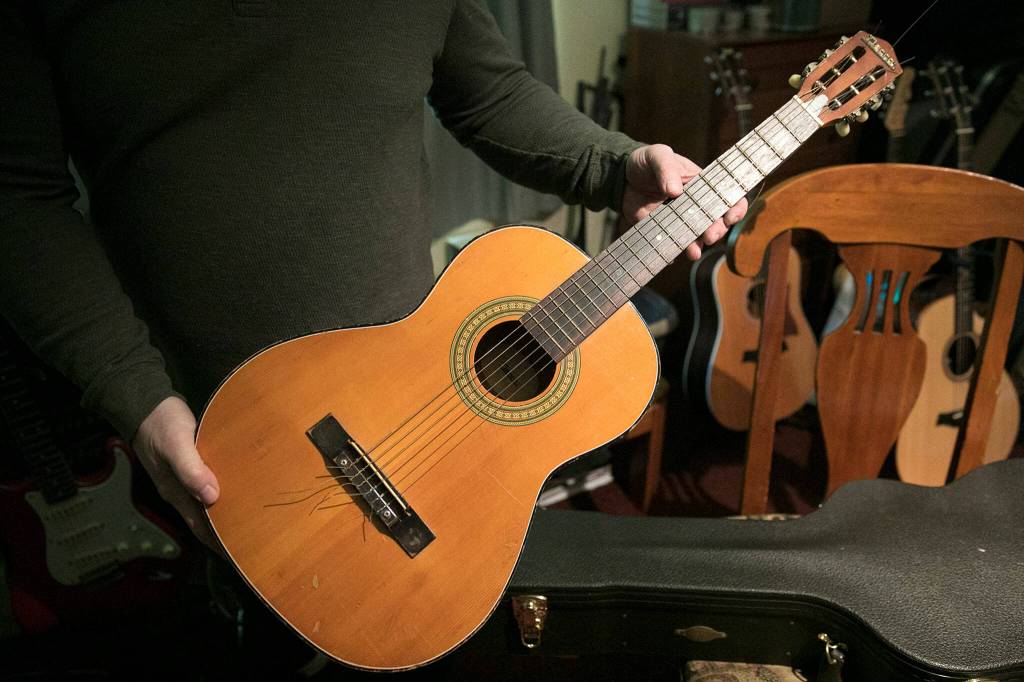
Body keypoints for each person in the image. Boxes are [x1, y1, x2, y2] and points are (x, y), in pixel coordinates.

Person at [0, 1, 746, 548]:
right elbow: (17, 195)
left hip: (411, 419)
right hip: (182, 441)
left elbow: (487, 90)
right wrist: (137, 399)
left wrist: (614, 167)